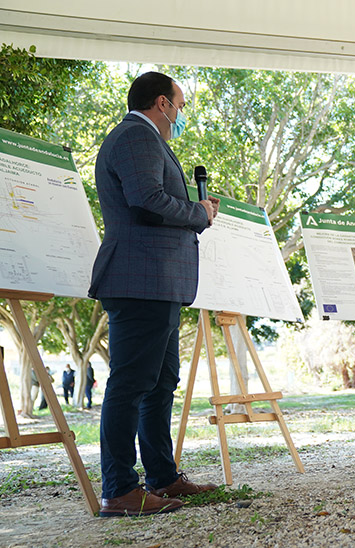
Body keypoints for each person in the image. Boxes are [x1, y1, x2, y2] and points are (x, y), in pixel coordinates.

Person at [89, 71, 220, 517]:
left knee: (159, 383)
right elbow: (146, 199)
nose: (180, 115)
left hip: (157, 282)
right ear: (162, 103)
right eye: (180, 106)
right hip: (139, 278)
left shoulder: (148, 140)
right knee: (129, 384)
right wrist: (198, 212)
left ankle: (161, 476)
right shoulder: (135, 136)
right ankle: (120, 489)